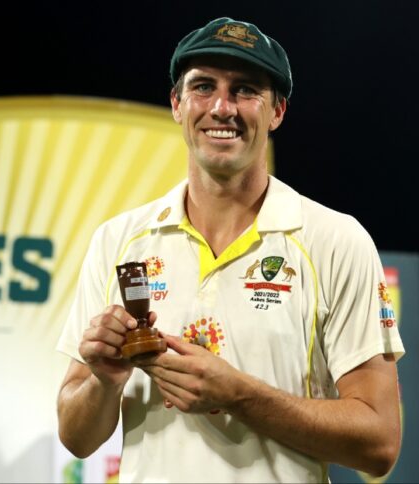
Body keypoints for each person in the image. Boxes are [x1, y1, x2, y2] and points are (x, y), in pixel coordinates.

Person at [56, 17, 404, 483]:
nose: (222, 107)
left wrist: (239, 395)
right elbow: (75, 437)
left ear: (277, 111)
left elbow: (380, 442)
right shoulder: (119, 240)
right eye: (203, 87)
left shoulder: (336, 240)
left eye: (245, 90)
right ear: (177, 105)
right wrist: (104, 381)